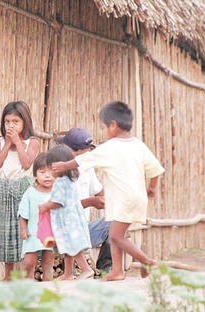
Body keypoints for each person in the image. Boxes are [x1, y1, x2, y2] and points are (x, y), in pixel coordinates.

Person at [52, 101, 165, 281]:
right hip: (136, 197)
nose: (104, 131)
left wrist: (64, 164)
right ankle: (117, 271)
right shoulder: (138, 145)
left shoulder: (110, 147)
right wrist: (151, 188)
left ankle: (146, 261)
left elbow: (83, 160)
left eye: (104, 127)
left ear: (113, 125)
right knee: (114, 234)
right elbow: (156, 169)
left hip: (123, 198)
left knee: (116, 236)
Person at [0, 101, 40, 281]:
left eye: (15, 121)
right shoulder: (0, 141)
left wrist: (17, 142)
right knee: (6, 233)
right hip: (4, 188)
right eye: (7, 121)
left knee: (24, 231)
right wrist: (7, 143)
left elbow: (26, 163)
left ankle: (26, 275)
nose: (10, 125)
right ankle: (8, 275)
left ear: (25, 122)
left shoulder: (31, 141)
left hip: (23, 190)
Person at [56, 128, 112, 271]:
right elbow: (59, 208)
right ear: (72, 151)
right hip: (61, 234)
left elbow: (100, 192)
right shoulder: (56, 171)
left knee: (115, 223)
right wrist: (90, 202)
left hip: (83, 230)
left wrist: (104, 199)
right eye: (84, 154)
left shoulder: (86, 168)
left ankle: (106, 270)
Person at [40, 145, 95, 280]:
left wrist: (45, 206)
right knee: (68, 248)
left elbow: (58, 202)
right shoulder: (69, 180)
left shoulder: (60, 182)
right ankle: (68, 273)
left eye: (50, 167)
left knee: (73, 247)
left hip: (67, 222)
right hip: (73, 220)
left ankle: (86, 269)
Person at [18, 152, 54, 281]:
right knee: (29, 261)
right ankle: (27, 282)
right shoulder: (30, 192)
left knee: (48, 260)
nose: (47, 176)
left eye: (51, 172)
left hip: (51, 233)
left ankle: (48, 283)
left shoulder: (57, 192)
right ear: (35, 175)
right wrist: (23, 229)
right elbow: (22, 213)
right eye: (42, 172)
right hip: (32, 232)